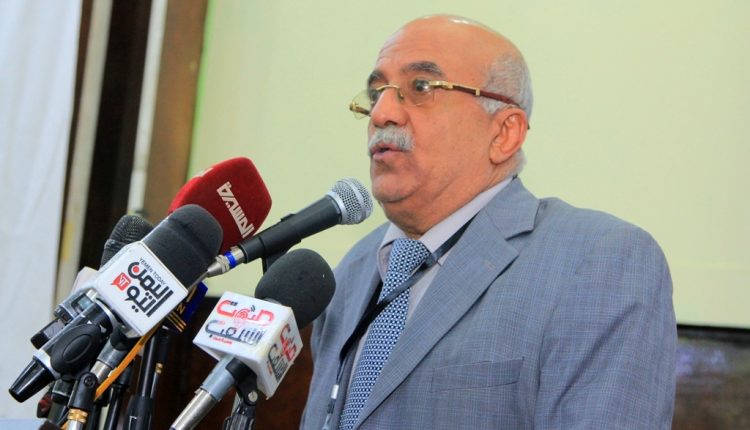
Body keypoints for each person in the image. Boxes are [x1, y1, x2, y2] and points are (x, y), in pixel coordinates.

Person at [301, 14, 676, 430]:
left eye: (421, 87)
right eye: (376, 93)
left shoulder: (600, 262)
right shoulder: (353, 272)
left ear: (504, 133)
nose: (382, 113)